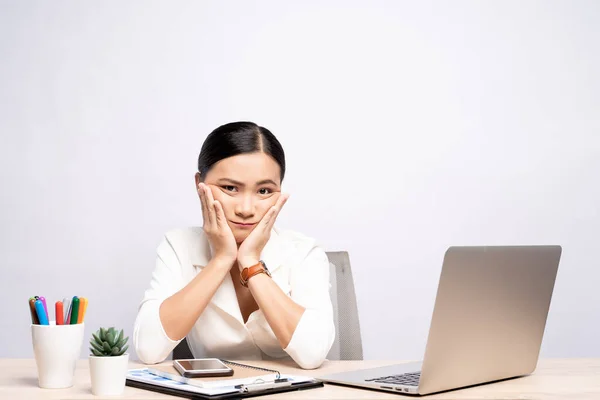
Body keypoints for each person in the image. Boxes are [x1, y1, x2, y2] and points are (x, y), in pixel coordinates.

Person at [133, 121, 335, 369]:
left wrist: (250, 262)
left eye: (264, 191)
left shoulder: (304, 252)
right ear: (200, 185)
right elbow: (148, 349)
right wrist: (221, 259)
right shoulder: (179, 245)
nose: (246, 209)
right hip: (215, 391)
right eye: (230, 188)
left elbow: (312, 354)